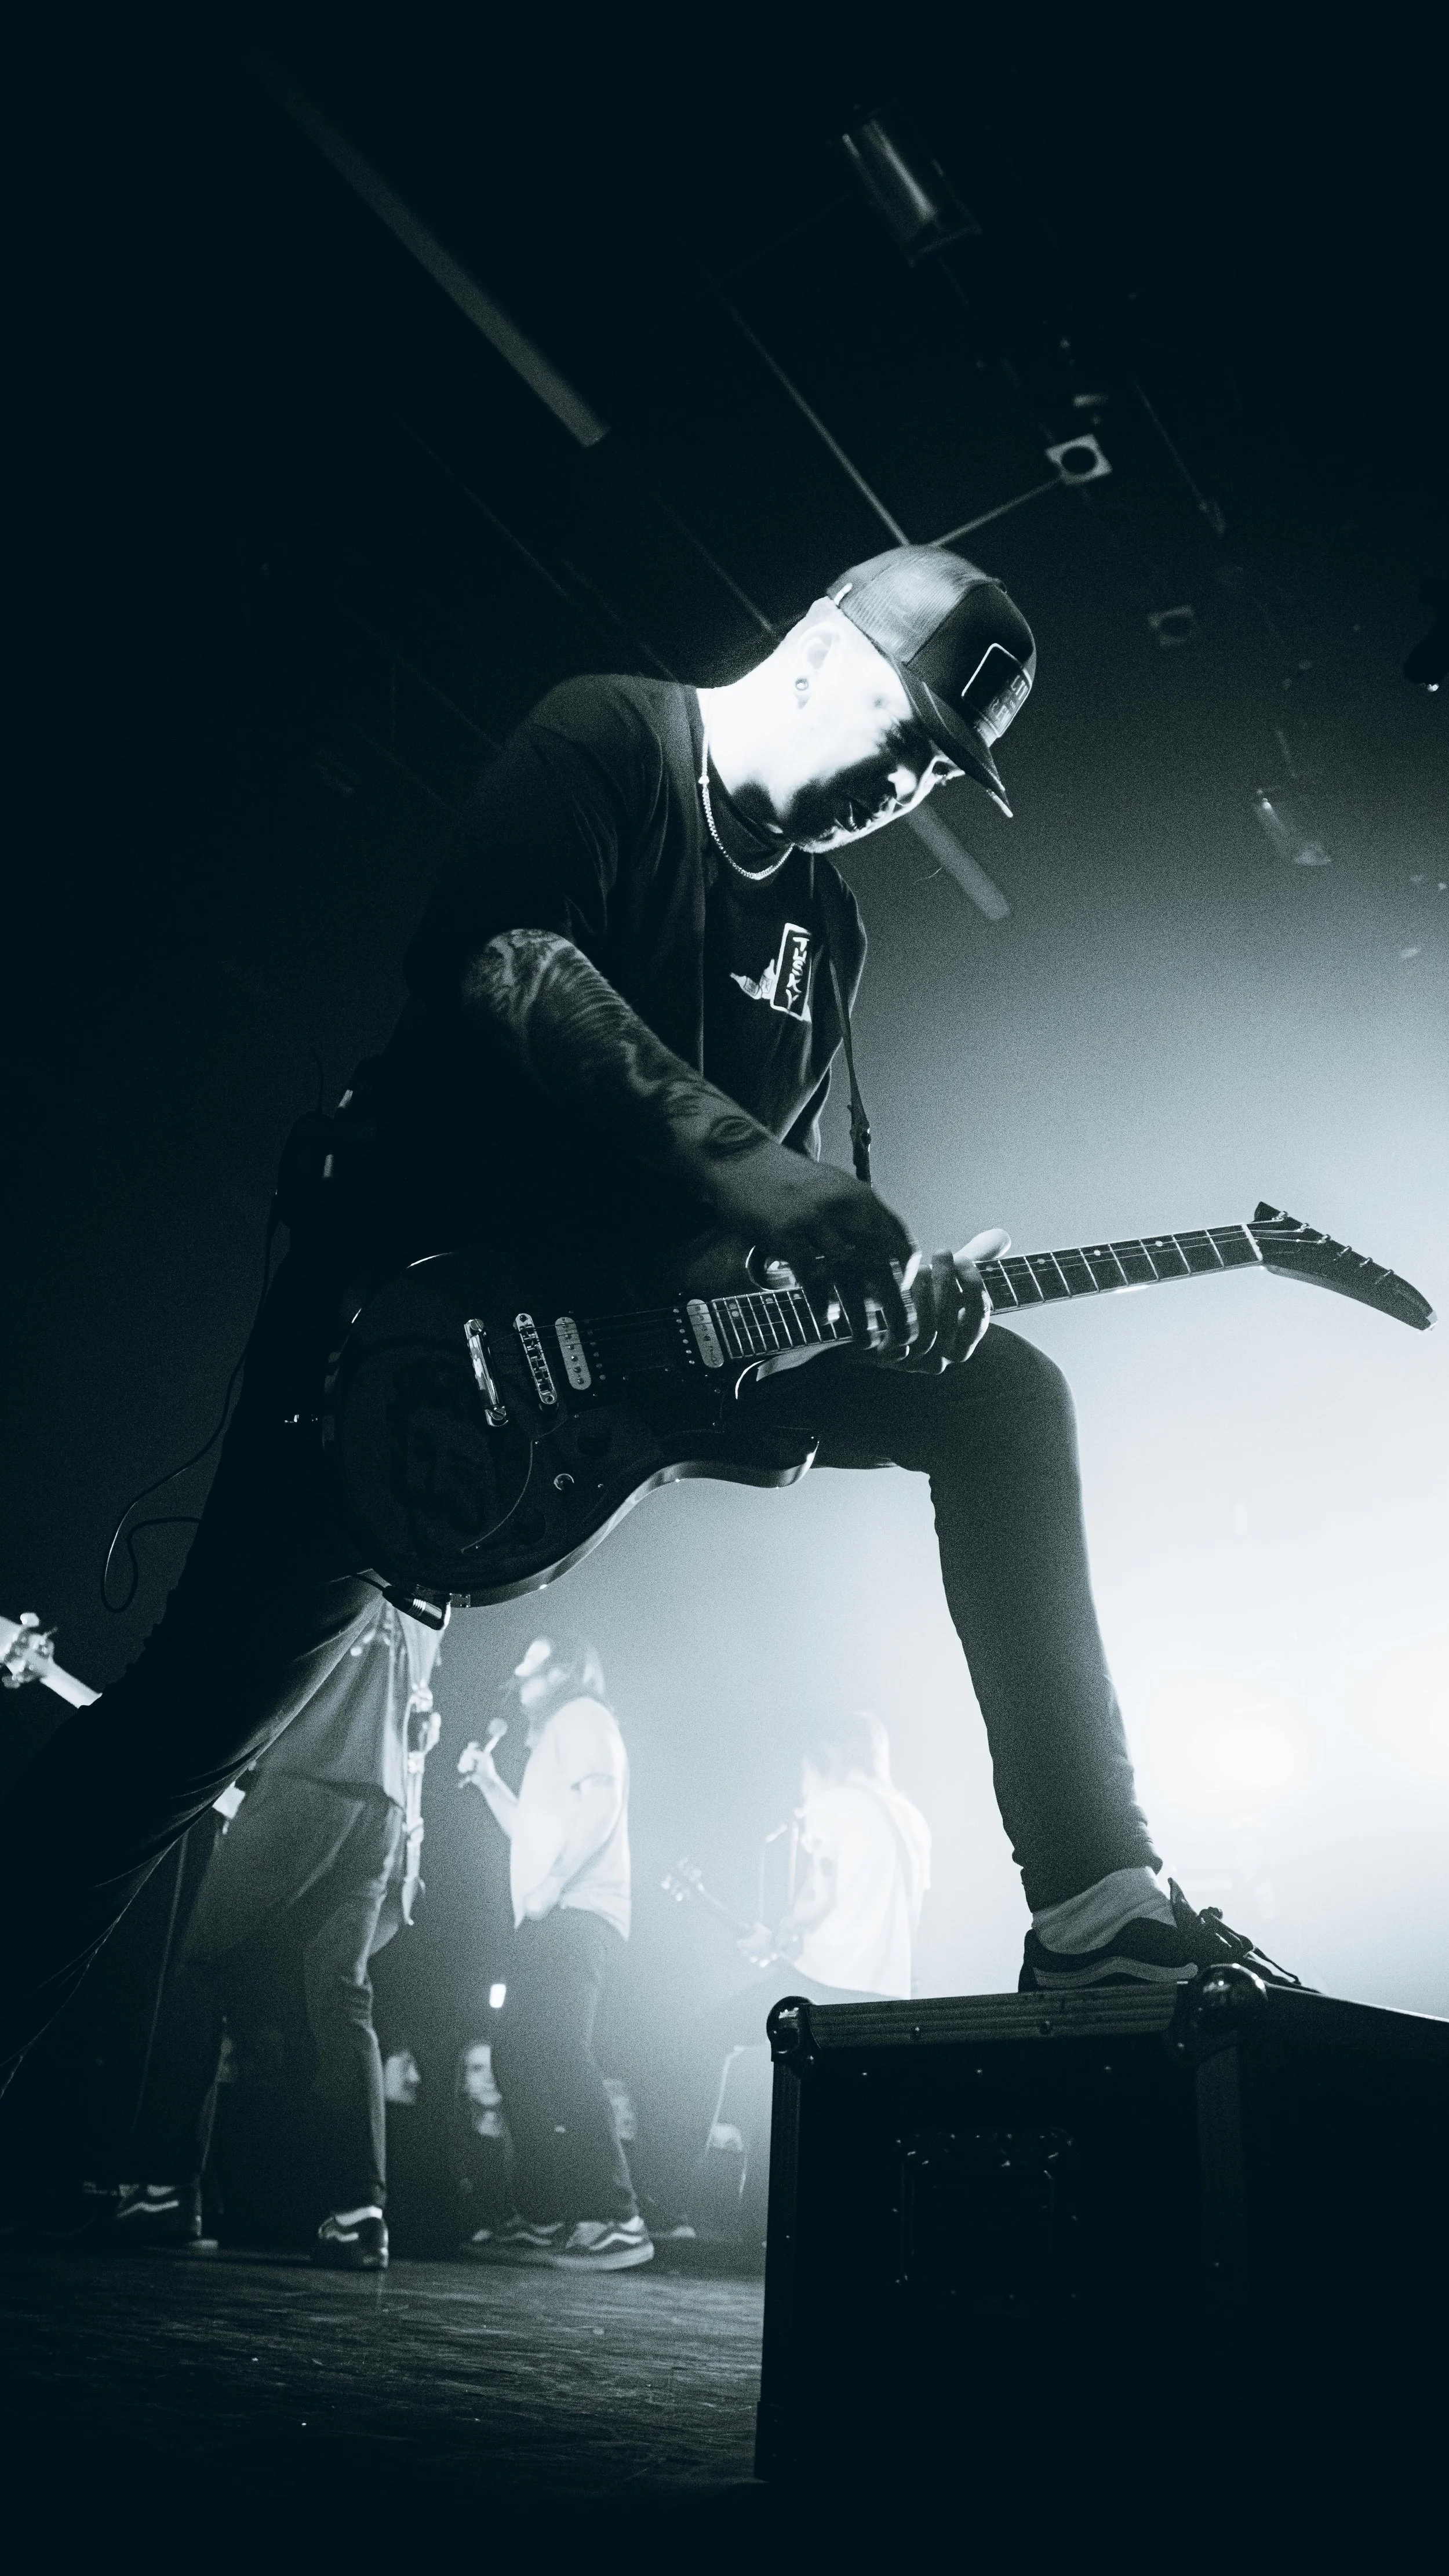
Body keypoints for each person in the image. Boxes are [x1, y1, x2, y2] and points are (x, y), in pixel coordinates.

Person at [0, 543, 1299, 2093]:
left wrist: (867, 1294)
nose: (906, 790)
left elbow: (756, 1246)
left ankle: (1093, 1901)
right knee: (185, 1732)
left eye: (938, 775)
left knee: (1001, 1393)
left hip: (637, 1364)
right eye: (905, 738)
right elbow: (510, 964)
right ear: (822, 647)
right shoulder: (610, 739)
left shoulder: (828, 937)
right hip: (409, 1338)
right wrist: (771, 1179)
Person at [116, 1600, 442, 2268]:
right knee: (342, 1994)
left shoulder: (347, 1550)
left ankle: (164, 2189)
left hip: (309, 1774)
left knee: (198, 1968)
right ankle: (361, 2215)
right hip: (383, 1805)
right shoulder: (439, 1585)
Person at [456, 1636, 650, 2271]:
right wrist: (490, 1783)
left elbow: (604, 1801)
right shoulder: (551, 1739)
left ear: (563, 1670)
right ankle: (543, 2215)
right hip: (551, 1912)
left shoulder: (583, 1716)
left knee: (562, 2051)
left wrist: (556, 1882)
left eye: (530, 1662)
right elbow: (532, 1836)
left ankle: (616, 2216)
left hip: (576, 1909)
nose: (517, 1673)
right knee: (516, 2057)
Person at [753, 1711, 931, 2003]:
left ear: (831, 1755)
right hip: (892, 1992)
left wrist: (781, 1932)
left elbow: (818, 1897)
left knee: (726, 2021)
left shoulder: (834, 1803)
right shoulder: (913, 1818)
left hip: (830, 1980)